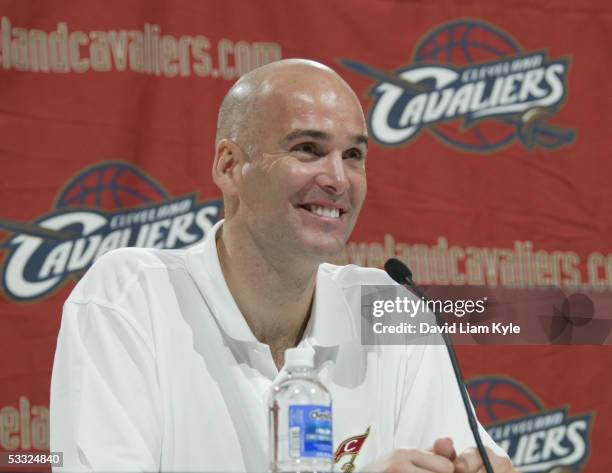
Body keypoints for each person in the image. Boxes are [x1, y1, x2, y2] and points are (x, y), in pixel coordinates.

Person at [50, 59, 517, 473]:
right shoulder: (129, 296)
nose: (337, 179)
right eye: (308, 149)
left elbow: (468, 457)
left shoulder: (391, 308)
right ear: (230, 165)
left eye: (353, 155)